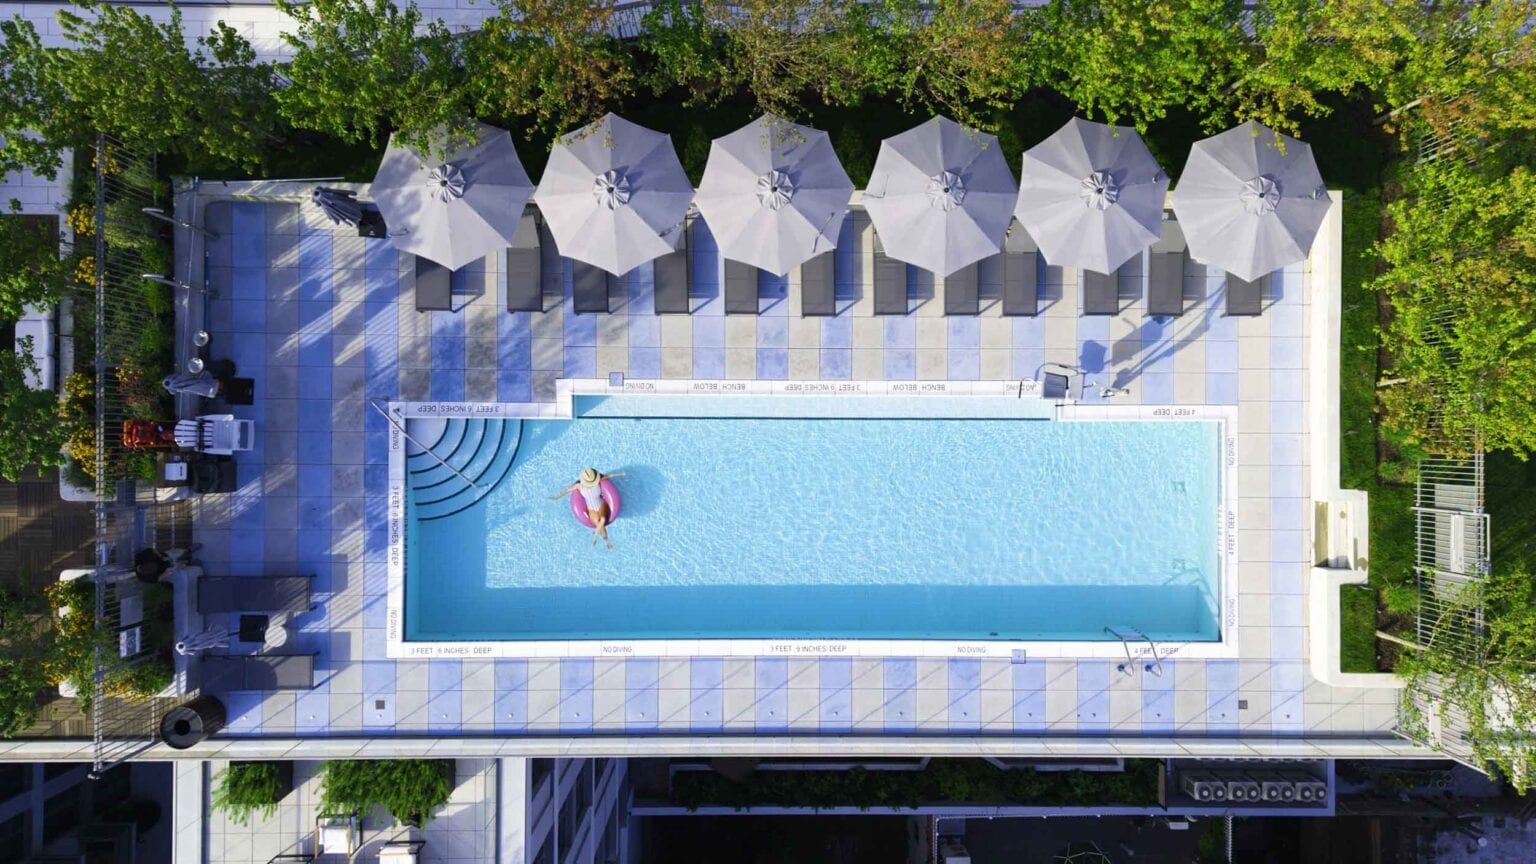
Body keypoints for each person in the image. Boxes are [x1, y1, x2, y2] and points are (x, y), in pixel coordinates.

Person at [551, 467, 626, 549]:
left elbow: (609, 476)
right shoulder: (579, 486)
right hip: (591, 509)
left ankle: (599, 536)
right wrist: (557, 497)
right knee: (598, 522)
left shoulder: (599, 481)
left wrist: (621, 474)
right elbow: (567, 490)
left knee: (603, 519)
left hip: (601, 504)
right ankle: (606, 542)